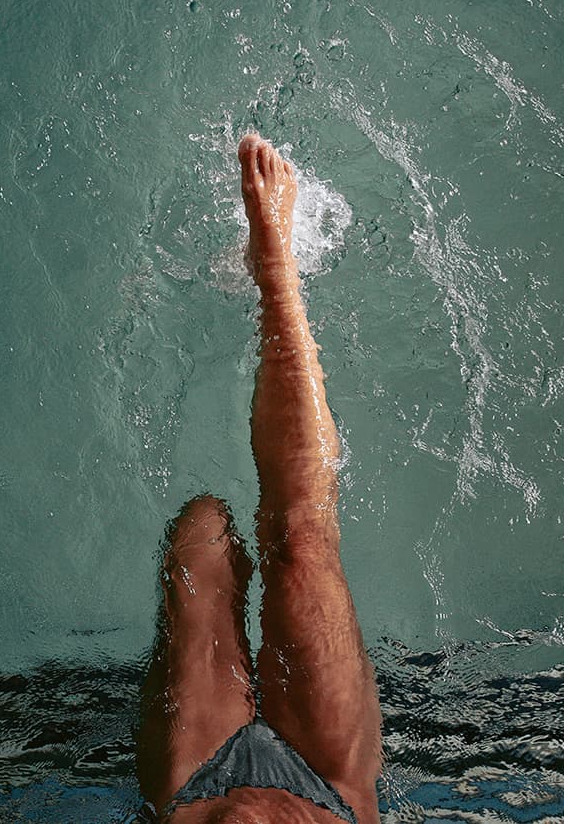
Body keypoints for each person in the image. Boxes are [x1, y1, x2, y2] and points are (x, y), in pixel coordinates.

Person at [136, 134, 384, 824]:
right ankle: (276, 272)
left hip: (199, 789)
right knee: (303, 539)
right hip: (325, 792)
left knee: (203, 535)